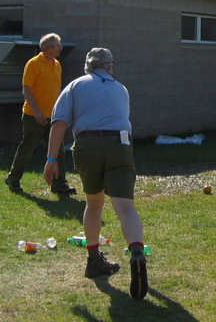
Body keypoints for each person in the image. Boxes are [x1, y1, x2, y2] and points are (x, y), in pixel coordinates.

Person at [44, 48, 148, 301]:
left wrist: (51, 159)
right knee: (126, 208)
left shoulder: (75, 86)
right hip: (120, 144)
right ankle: (137, 253)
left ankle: (93, 260)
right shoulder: (121, 89)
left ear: (87, 67)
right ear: (110, 67)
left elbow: (59, 123)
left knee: (94, 203)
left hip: (87, 145)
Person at [5, 33, 75, 195]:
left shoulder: (57, 64)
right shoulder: (33, 64)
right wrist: (36, 111)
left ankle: (59, 184)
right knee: (27, 148)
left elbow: (57, 89)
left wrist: (61, 110)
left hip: (53, 116)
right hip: (34, 116)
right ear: (49, 48)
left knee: (58, 151)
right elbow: (26, 89)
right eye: (58, 45)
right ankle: (13, 179)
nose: (61, 48)